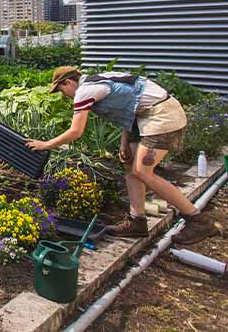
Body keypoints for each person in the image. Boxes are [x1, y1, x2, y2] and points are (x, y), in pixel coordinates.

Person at [26, 66, 219, 245]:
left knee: (143, 172)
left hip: (161, 116)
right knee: (130, 166)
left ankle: (197, 219)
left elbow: (76, 131)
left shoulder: (84, 91)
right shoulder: (97, 81)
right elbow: (129, 106)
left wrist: (46, 144)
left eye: (61, 90)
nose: (63, 95)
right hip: (143, 117)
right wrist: (124, 141)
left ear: (68, 82)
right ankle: (137, 221)